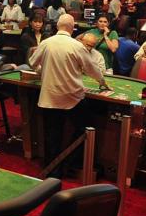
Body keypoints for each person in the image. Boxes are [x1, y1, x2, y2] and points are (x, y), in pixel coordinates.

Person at [29, 14, 108, 177]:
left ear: (58, 26)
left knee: (53, 136)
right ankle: (70, 161)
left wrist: (41, 71)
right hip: (73, 98)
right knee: (86, 129)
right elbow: (91, 68)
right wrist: (101, 80)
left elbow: (32, 62)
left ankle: (53, 172)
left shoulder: (46, 43)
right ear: (72, 28)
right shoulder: (77, 46)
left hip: (49, 97)